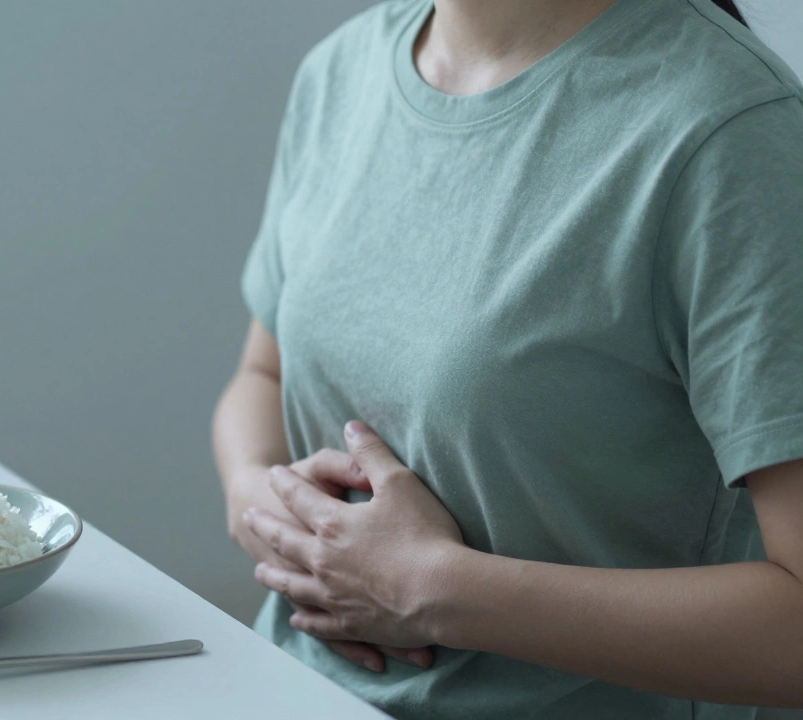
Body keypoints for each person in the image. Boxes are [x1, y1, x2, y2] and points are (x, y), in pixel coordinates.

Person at [210, 0, 803, 717]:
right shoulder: (341, 70)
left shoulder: (729, 135)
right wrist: (256, 500)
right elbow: (261, 375)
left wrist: (434, 591)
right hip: (284, 686)